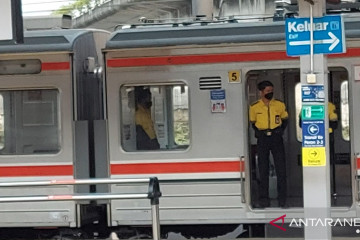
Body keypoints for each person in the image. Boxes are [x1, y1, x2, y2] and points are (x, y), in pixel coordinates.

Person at [249, 81, 289, 208]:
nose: (270, 93)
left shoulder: (279, 105)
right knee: (263, 168)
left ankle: (282, 197)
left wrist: (280, 131)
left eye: (271, 90)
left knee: (281, 168)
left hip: (276, 138)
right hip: (263, 139)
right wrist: (259, 133)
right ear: (261, 92)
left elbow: (285, 119)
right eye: (267, 91)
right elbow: (252, 123)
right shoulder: (254, 107)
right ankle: (263, 198)